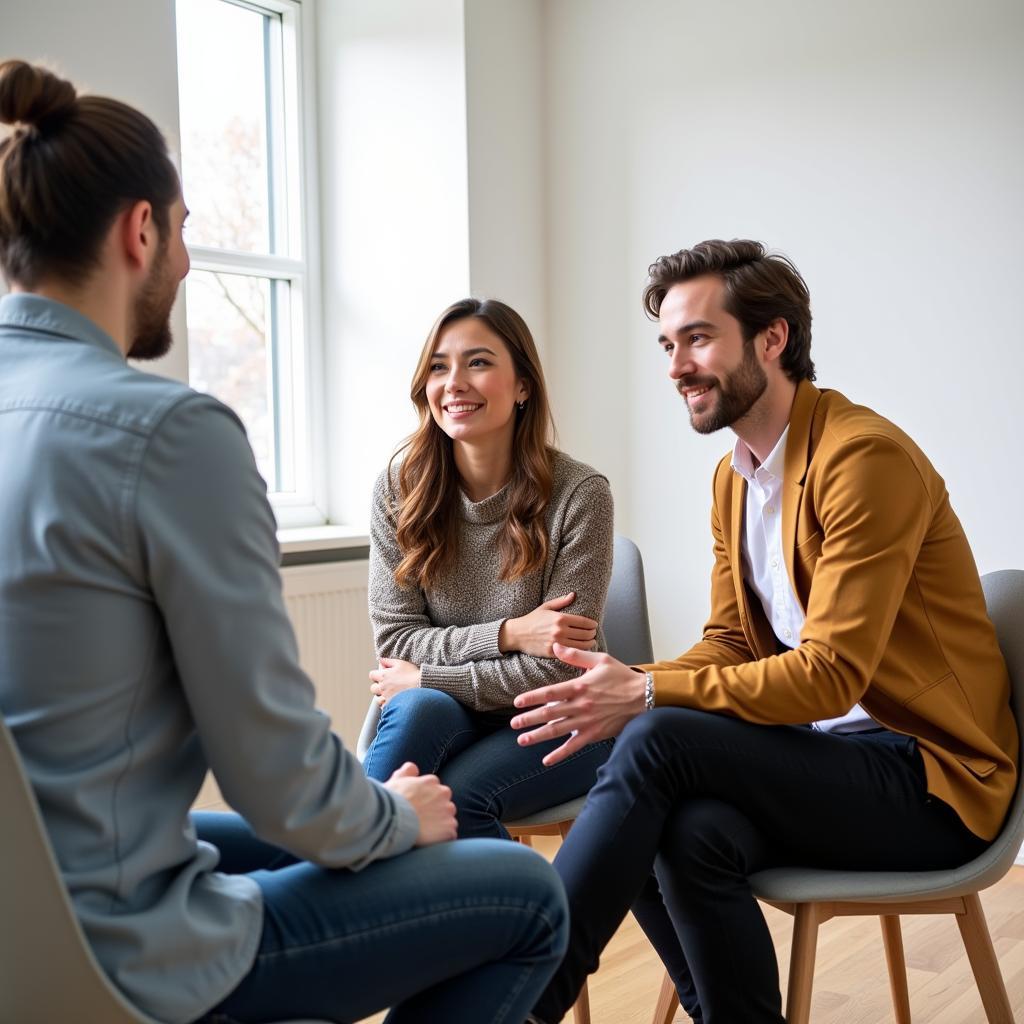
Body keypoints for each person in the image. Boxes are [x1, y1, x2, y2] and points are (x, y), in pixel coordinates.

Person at [0, 59, 567, 1024]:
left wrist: (397, 771)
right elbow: (283, 783)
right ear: (141, 230)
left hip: (28, 914)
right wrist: (398, 816)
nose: (183, 265)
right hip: (124, 956)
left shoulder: (573, 491)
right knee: (527, 895)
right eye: (182, 235)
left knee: (303, 820)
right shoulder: (169, 435)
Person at [509, 239, 1018, 1023]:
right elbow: (733, 643)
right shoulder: (736, 476)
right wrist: (625, 682)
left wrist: (645, 694)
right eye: (668, 345)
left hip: (931, 778)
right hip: (834, 758)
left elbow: (829, 677)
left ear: (772, 340)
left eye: (700, 339)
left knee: (652, 739)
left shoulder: (862, 459)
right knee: (689, 828)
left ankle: (515, 1002)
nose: (677, 366)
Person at [362, 297, 616, 839]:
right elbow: (397, 644)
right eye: (438, 366)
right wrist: (511, 633)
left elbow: (561, 669)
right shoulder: (398, 489)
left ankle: (504, 919)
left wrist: (429, 676)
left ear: (523, 385)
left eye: (477, 362)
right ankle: (355, 866)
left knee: (452, 798)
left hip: (557, 717)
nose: (453, 382)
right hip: (447, 712)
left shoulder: (580, 495)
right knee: (415, 718)